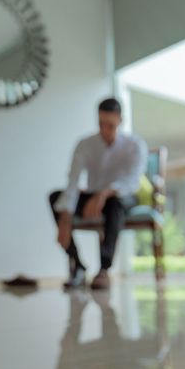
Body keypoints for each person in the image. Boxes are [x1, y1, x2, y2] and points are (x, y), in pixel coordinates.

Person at [49, 98, 148, 290]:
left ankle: (104, 269)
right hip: (92, 195)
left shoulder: (134, 145)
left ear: (120, 120)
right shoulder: (85, 144)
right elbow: (73, 180)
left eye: (110, 124)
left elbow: (132, 182)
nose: (105, 129)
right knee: (55, 198)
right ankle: (77, 265)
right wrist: (65, 215)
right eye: (101, 124)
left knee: (114, 203)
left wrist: (105, 193)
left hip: (122, 196)